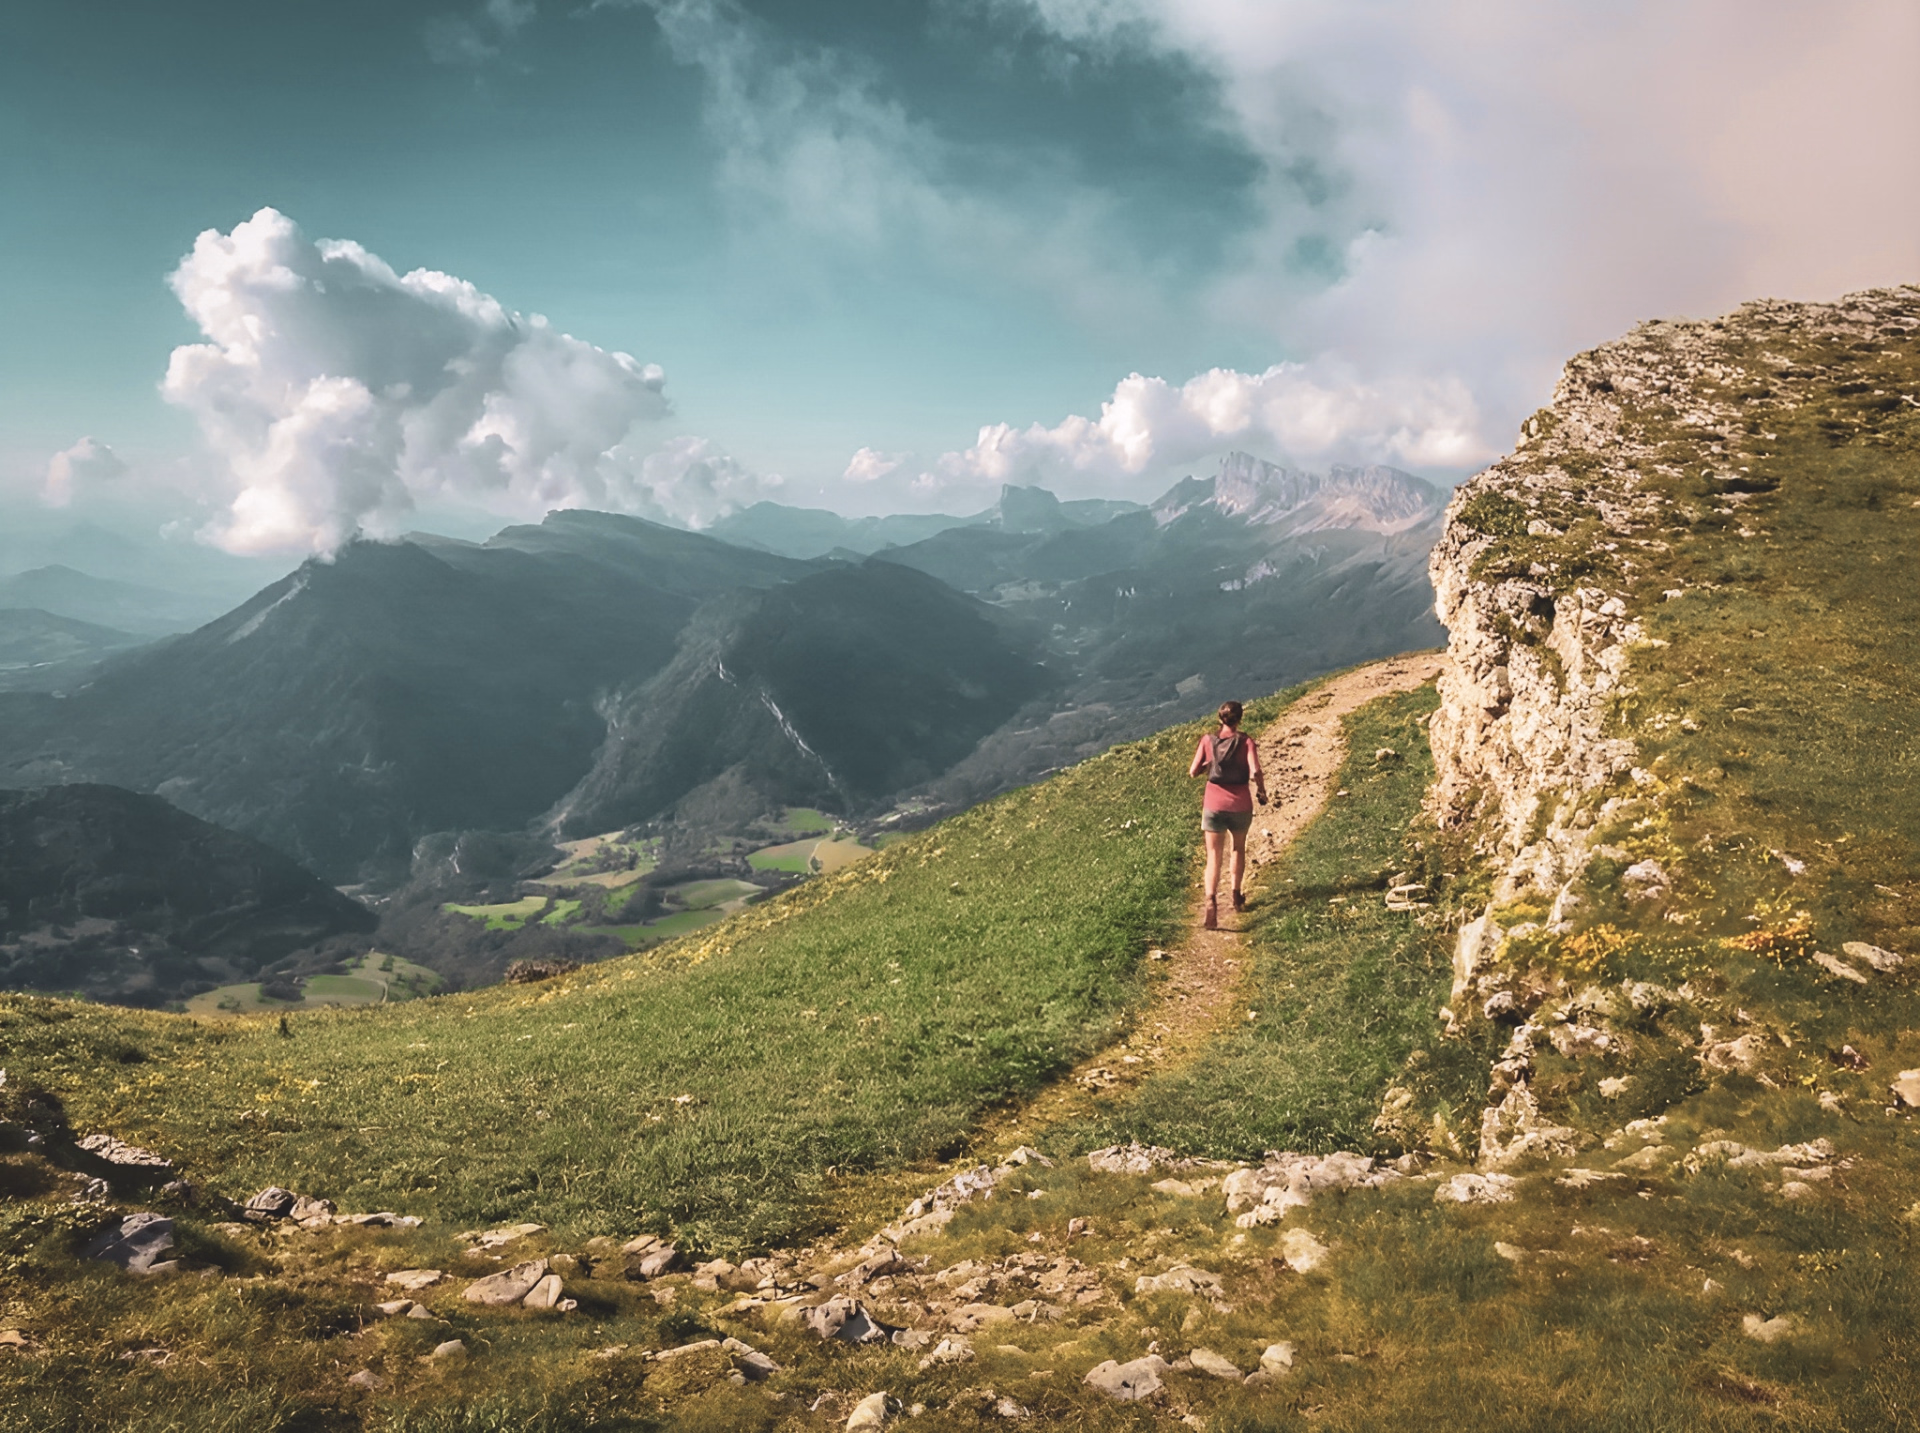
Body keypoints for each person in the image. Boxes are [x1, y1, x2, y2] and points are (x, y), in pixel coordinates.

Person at [1189, 700, 1266, 930]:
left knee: (1213, 856)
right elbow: (1255, 771)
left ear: (1219, 719)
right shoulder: (1246, 741)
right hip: (1240, 804)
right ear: (1240, 719)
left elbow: (1193, 772)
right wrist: (1261, 790)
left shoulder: (1207, 740)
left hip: (1213, 805)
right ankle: (1236, 895)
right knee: (1238, 848)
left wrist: (1207, 763)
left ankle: (1211, 900)